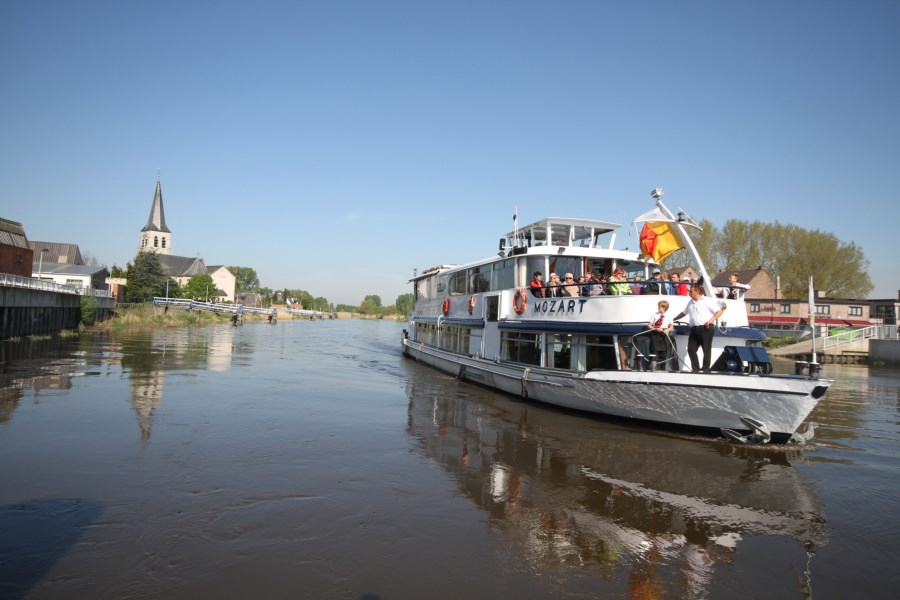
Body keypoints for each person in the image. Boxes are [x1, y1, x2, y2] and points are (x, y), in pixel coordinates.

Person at [672, 285, 725, 373]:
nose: (689, 293)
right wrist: (673, 319)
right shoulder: (691, 302)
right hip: (694, 329)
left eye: (691, 291)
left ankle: (705, 369)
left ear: (697, 292)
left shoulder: (707, 300)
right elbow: (684, 313)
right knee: (691, 349)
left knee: (706, 349)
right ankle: (696, 369)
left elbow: (719, 311)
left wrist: (710, 320)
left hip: (706, 328)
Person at [646, 300, 674, 370]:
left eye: (660, 306)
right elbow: (649, 325)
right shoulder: (654, 315)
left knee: (663, 355)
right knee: (655, 354)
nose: (658, 307)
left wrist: (667, 330)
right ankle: (654, 369)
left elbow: (671, 326)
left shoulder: (669, 316)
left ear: (664, 307)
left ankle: (662, 370)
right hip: (655, 335)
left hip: (664, 336)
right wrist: (655, 328)